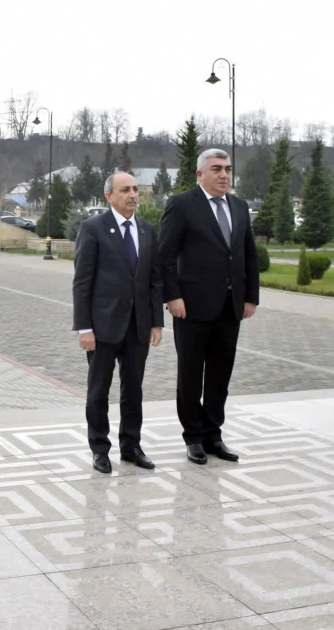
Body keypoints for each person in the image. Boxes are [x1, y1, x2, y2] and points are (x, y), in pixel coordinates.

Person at [158, 148, 260, 465]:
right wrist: (172, 297)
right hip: (191, 308)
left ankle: (214, 434)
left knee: (220, 375)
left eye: (228, 169)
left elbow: (248, 255)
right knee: (190, 376)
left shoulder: (240, 207)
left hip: (230, 308)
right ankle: (194, 438)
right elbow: (164, 256)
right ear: (200, 174)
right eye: (216, 168)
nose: (224, 175)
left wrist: (251, 296)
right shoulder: (182, 205)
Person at [73, 172, 164, 474]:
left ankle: (131, 446)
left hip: (138, 326)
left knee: (133, 389)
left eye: (136, 189)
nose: (133, 195)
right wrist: (84, 327)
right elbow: (82, 281)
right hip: (102, 326)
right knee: (99, 390)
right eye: (125, 190)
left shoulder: (148, 231)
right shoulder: (93, 228)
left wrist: (155, 322)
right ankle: (100, 448)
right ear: (108, 197)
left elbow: (154, 279)